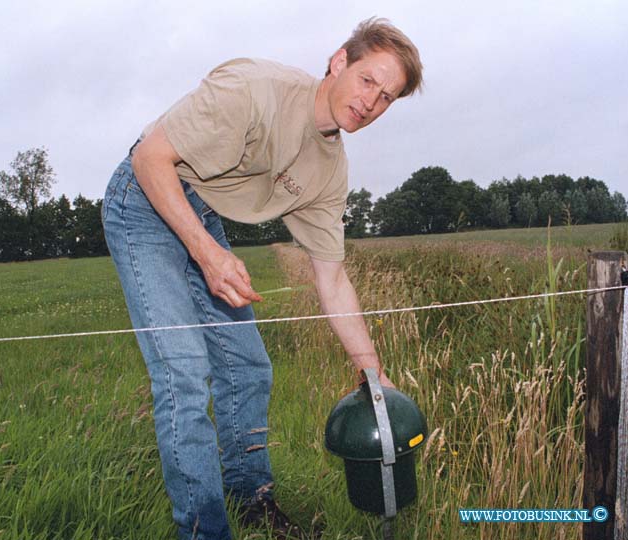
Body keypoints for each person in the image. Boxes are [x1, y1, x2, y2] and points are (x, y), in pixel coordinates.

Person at [102, 17, 422, 540]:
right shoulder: (255, 91)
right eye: (368, 81)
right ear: (340, 61)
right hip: (144, 199)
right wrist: (207, 255)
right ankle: (206, 530)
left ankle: (252, 500)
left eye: (386, 97)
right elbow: (150, 158)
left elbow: (333, 278)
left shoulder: (330, 171)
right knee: (183, 374)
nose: (370, 103)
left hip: (200, 213)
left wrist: (372, 375)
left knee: (250, 369)